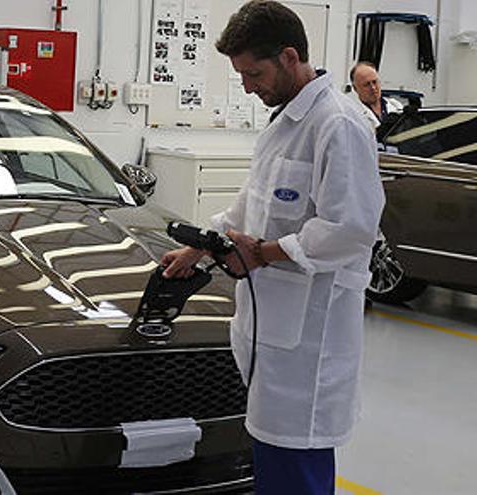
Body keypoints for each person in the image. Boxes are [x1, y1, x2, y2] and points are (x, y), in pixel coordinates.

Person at [159, 2, 385, 494]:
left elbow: (351, 227)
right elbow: (253, 204)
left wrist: (263, 254)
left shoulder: (338, 124)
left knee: (296, 465)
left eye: (253, 73)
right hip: (273, 333)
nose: (246, 86)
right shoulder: (286, 122)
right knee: (272, 462)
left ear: (289, 56)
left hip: (309, 342)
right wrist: (200, 247)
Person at [350, 61, 404, 130]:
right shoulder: (354, 116)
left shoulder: (396, 105)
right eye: (366, 84)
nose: (373, 87)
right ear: (355, 88)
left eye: (374, 82)